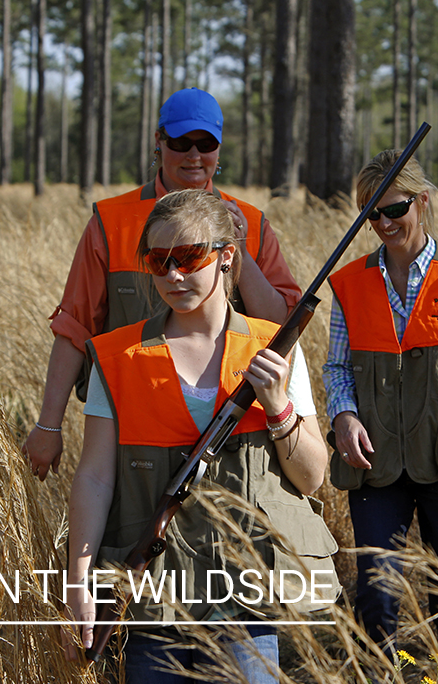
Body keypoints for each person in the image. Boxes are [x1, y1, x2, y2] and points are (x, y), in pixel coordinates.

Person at [65, 189, 339, 682]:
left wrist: (278, 406)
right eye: (158, 261)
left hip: (246, 597)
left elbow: (312, 476)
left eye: (189, 258)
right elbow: (94, 478)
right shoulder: (116, 356)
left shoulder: (274, 349)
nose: (173, 275)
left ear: (226, 256)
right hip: (155, 598)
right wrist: (79, 582)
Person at [23, 87, 301, 481]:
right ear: (158, 141)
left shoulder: (251, 223)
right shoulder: (111, 222)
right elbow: (75, 327)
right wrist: (48, 425)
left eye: (206, 144)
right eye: (181, 142)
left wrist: (239, 249)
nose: (194, 155)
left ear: (219, 149)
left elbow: (281, 327)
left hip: (229, 428)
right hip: (128, 426)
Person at [322, 150, 438, 684]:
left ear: (421, 202)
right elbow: (336, 367)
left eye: (394, 209)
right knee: (376, 599)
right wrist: (343, 416)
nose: (384, 223)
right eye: (371, 214)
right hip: (376, 465)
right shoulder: (349, 283)